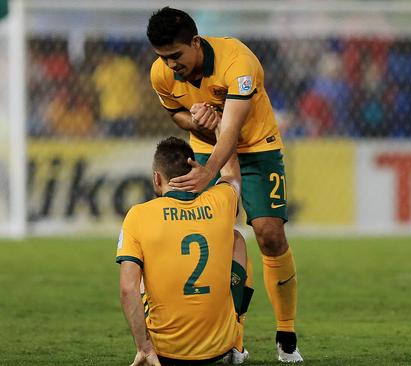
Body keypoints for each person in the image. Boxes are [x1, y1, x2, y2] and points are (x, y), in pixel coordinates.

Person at [146, 7, 302, 363]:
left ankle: (286, 332)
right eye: (163, 58)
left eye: (176, 56)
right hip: (203, 148)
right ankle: (234, 339)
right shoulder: (161, 74)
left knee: (269, 234)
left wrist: (207, 170)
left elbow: (230, 132)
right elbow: (176, 114)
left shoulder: (239, 63)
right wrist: (197, 119)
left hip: (257, 147)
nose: (171, 65)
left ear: (196, 42)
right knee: (214, 238)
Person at [117, 137, 252, 365]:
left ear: (157, 178)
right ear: (193, 170)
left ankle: (148, 349)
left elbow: (127, 289)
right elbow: (232, 173)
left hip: (165, 353)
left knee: (139, 267)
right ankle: (236, 341)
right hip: (218, 349)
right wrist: (220, 126)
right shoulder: (221, 201)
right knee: (237, 239)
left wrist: (144, 347)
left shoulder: (138, 215)